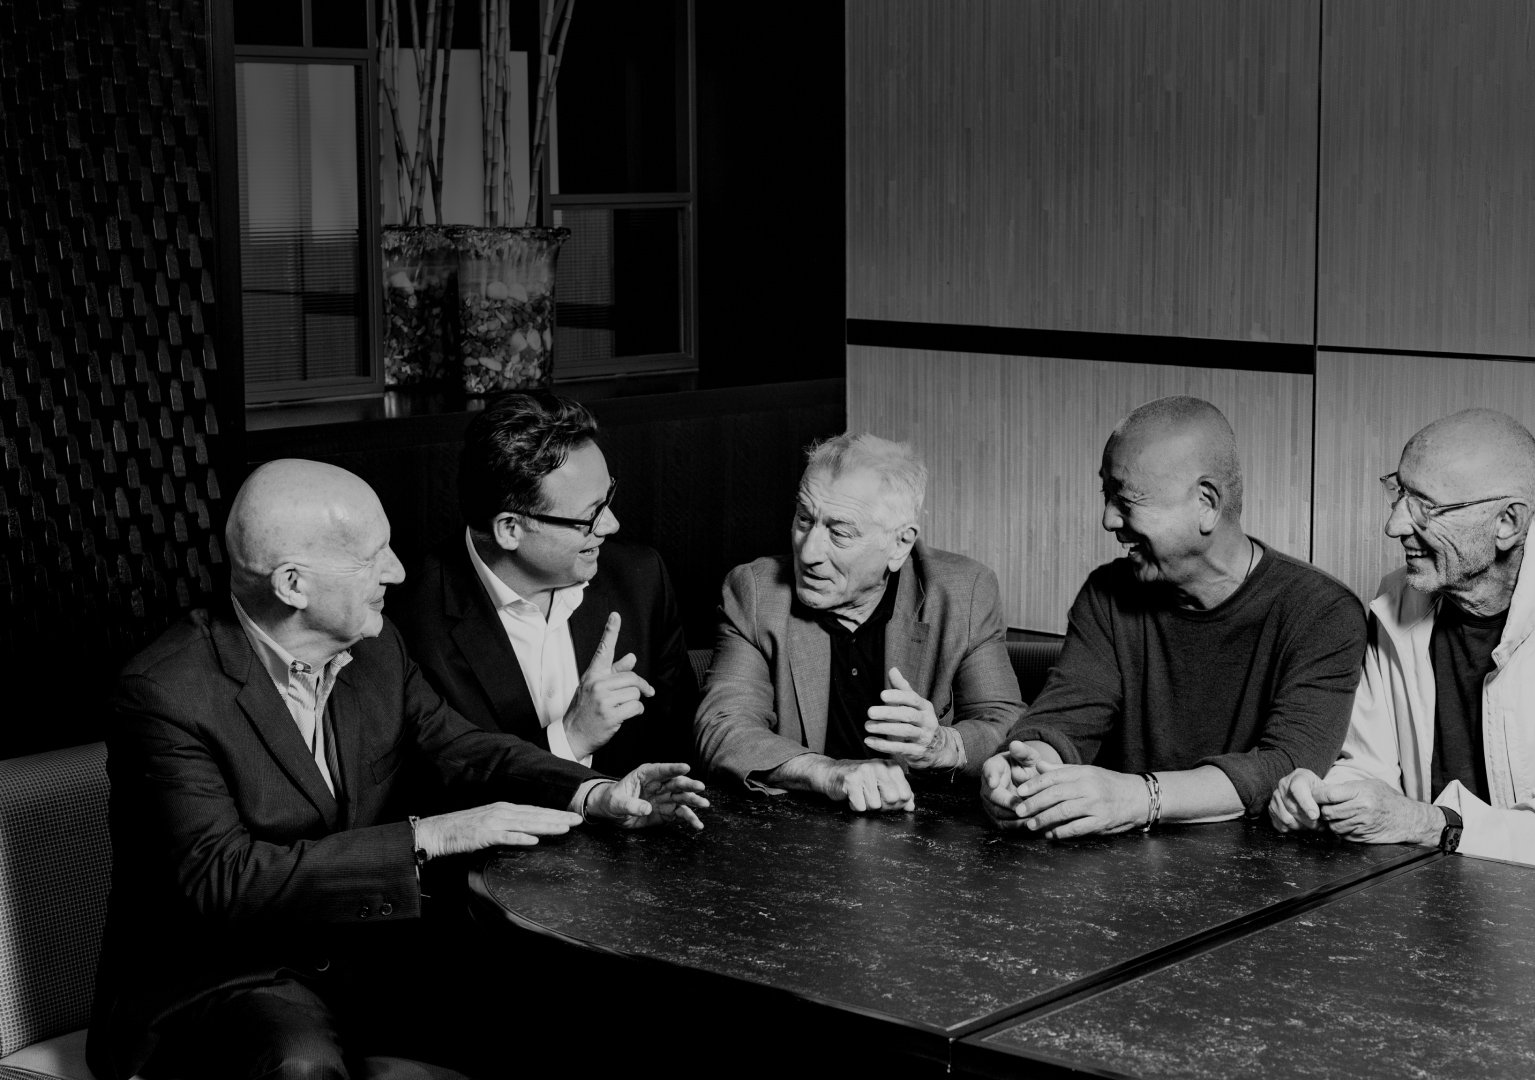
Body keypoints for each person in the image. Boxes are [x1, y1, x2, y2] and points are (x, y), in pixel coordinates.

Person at [88, 459, 707, 1080]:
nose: (398, 570)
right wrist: (426, 836)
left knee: (561, 1008)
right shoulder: (164, 692)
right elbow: (223, 880)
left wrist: (595, 794)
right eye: (372, 556)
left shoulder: (376, 647)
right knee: (300, 1063)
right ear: (292, 584)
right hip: (221, 976)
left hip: (365, 953)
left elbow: (464, 749)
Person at [1269, 409, 1535, 870]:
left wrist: (1430, 824)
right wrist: (1318, 795)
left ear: (1507, 522)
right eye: (1399, 493)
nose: (1395, 525)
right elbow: (1368, 766)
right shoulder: (1395, 601)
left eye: (1426, 506)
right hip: (1411, 897)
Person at [980, 396, 1366, 840]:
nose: (1108, 520)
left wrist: (1138, 798)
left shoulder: (1323, 611)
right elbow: (1067, 718)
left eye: (1126, 500)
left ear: (1206, 503)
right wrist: (1023, 766)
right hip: (1119, 872)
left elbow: (1286, 764)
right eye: (1106, 496)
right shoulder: (1107, 592)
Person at [695, 433, 1023, 811]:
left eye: (840, 533)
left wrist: (941, 746)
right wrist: (829, 773)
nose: (809, 551)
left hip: (923, 835)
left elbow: (1004, 723)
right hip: (796, 828)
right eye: (804, 519)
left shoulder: (963, 592)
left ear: (900, 544)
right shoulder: (755, 591)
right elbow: (722, 728)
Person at [389, 392, 695, 777]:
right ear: (510, 529)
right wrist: (570, 738)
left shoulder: (641, 578)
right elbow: (434, 794)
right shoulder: (409, 624)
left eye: (608, 498)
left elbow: (680, 744)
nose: (611, 524)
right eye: (590, 515)